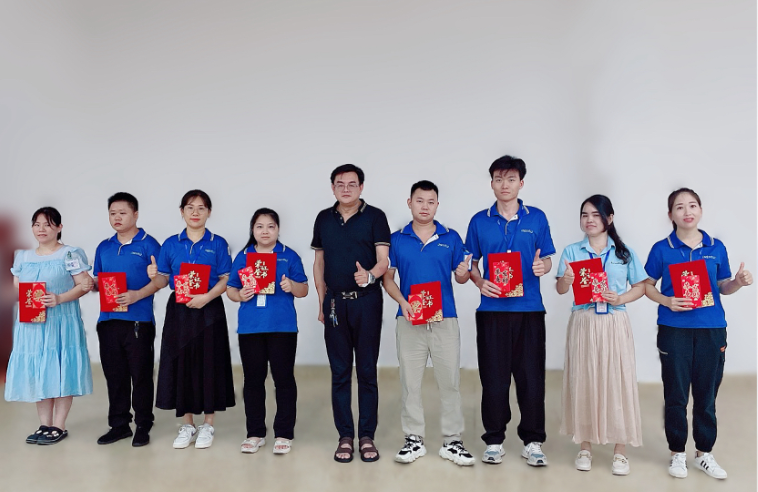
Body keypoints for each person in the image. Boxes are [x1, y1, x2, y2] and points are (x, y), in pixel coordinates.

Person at [644, 188, 752, 480]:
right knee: (676, 394)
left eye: (692, 205)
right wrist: (667, 301)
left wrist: (738, 282)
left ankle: (704, 453)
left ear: (701, 210)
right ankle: (677, 453)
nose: (687, 211)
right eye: (679, 207)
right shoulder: (662, 248)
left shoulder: (716, 247)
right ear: (671, 215)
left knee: (706, 395)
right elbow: (647, 285)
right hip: (674, 330)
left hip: (711, 329)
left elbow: (723, 287)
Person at [464, 155, 555, 466]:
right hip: (492, 310)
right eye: (499, 179)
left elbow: (548, 258)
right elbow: (470, 263)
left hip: (529, 309)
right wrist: (479, 281)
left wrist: (544, 267)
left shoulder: (537, 218)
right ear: (491, 183)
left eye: (511, 179)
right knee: (494, 378)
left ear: (521, 183)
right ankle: (494, 440)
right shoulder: (479, 221)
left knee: (531, 377)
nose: (505, 185)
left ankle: (533, 441)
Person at [383, 180, 475, 466]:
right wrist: (403, 302)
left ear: (437, 205)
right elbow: (388, 278)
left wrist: (463, 271)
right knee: (410, 383)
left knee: (450, 383)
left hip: (445, 319)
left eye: (430, 201)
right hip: (409, 318)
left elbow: (461, 277)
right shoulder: (396, 239)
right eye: (419, 200)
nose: (425, 206)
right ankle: (414, 439)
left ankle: (452, 441)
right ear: (409, 203)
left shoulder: (451, 237)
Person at [555, 195, 646, 475]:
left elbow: (641, 287)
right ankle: (585, 446)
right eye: (585, 215)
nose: (590, 220)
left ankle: (620, 451)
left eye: (596, 214)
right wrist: (566, 281)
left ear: (610, 218)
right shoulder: (572, 251)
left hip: (614, 321)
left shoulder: (624, 253)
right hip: (584, 321)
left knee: (618, 380)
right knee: (583, 380)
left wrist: (620, 298)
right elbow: (560, 289)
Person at [311, 164, 391, 463]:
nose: (346, 189)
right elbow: (319, 263)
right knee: (340, 372)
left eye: (352, 184)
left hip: (367, 302)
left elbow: (383, 260)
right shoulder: (323, 218)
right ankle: (345, 436)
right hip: (334, 303)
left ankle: (367, 436)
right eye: (340, 184)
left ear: (361, 187)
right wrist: (321, 301)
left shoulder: (375, 216)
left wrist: (369, 276)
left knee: (367, 371)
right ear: (332, 187)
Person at [149, 189, 235, 449]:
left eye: (201, 208)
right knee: (181, 362)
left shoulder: (217, 243)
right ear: (182, 211)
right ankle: (187, 424)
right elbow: (163, 280)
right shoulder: (171, 244)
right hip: (180, 310)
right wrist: (154, 275)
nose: (195, 212)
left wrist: (206, 297)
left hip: (209, 308)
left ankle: (208, 423)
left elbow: (226, 278)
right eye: (190, 207)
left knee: (210, 362)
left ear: (209, 212)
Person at [5, 207, 94, 444]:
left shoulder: (69, 254)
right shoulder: (23, 256)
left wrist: (59, 298)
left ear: (59, 227)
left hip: (61, 322)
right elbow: (17, 286)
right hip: (32, 325)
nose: (41, 229)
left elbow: (84, 284)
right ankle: (44, 424)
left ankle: (59, 426)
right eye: (37, 224)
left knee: (61, 368)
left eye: (47, 224)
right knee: (40, 370)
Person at [227, 208, 308, 455]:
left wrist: (291, 285)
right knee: (253, 380)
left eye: (271, 226)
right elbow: (231, 289)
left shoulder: (288, 255)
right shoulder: (244, 257)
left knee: (284, 379)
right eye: (260, 226)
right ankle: (255, 433)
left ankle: (284, 433)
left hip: (282, 327)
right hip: (251, 327)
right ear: (252, 230)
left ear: (278, 229)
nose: (265, 231)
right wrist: (240, 295)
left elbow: (304, 289)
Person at [92, 192, 162, 447]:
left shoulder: (149, 244)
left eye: (122, 213)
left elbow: (161, 280)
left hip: (138, 322)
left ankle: (143, 424)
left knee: (140, 375)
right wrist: (90, 284)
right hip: (108, 320)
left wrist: (136, 295)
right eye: (112, 213)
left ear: (135, 214)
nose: (117, 217)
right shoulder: (104, 246)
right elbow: (99, 281)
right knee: (115, 376)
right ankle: (119, 424)